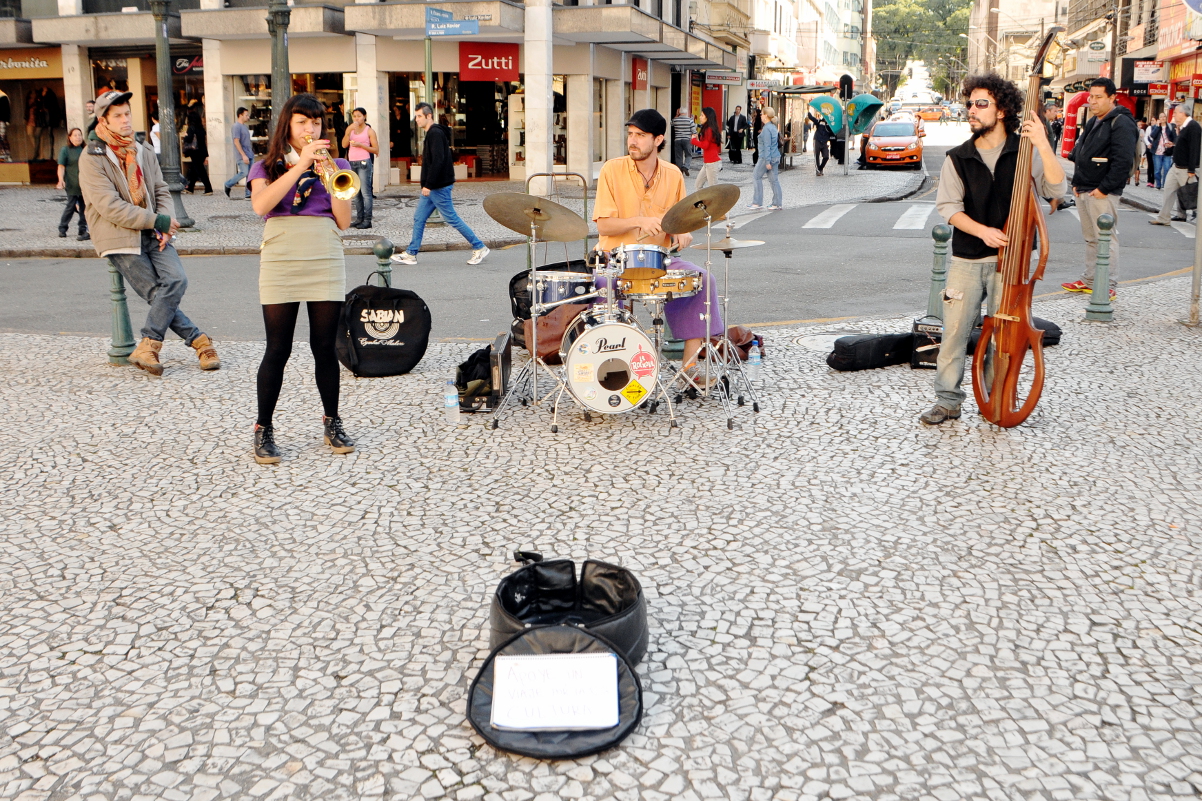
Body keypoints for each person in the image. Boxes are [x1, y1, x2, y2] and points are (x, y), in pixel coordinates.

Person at [921, 73, 1066, 426]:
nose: (971, 109)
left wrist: (1043, 144)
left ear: (1002, 110)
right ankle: (948, 401)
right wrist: (982, 231)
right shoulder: (959, 157)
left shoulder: (1025, 150)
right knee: (954, 334)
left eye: (981, 103)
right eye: (969, 103)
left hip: (1013, 261)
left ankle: (994, 399)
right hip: (967, 258)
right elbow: (949, 208)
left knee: (1003, 336)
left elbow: (1056, 189)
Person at [78, 90, 221, 378]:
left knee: (176, 280)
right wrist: (157, 220)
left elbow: (160, 189)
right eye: (118, 116)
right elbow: (109, 206)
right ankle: (200, 342)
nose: (125, 120)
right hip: (119, 236)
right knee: (156, 293)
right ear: (103, 120)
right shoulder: (92, 156)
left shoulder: (142, 149)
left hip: (153, 229)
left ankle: (149, 346)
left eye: (127, 114)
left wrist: (163, 223)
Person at [247, 93, 356, 465]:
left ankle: (332, 421)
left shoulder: (338, 164)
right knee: (277, 348)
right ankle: (263, 428)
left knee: (325, 347)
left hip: (324, 252)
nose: (310, 128)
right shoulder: (266, 165)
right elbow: (261, 206)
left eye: (316, 122)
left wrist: (327, 174)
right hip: (281, 254)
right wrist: (300, 167)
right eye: (302, 122)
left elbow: (344, 221)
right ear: (287, 126)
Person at [591, 108, 723, 384]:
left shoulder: (673, 174)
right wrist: (639, 221)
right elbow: (603, 226)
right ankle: (612, 368)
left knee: (703, 280)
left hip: (659, 259)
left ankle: (689, 367)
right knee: (603, 285)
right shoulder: (611, 170)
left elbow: (679, 221)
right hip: (615, 259)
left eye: (640, 135)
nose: (632, 141)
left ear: (658, 139)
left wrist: (682, 233)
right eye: (630, 134)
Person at [1062, 78, 1137, 302]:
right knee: (1091, 238)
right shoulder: (1094, 120)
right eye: (1091, 97)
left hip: (1102, 191)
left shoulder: (1121, 122)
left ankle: (1108, 284)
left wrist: (1104, 189)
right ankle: (1089, 280)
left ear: (1112, 98)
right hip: (1084, 187)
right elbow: (1082, 152)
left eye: (1098, 97)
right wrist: (1076, 183)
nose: (1092, 101)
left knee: (1106, 239)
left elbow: (1123, 162)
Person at [391, 102, 489, 266]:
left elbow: (438, 160)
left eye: (419, 116)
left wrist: (428, 185)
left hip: (438, 186)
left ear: (429, 116)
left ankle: (479, 246)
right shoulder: (432, 133)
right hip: (433, 187)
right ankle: (411, 253)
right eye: (416, 116)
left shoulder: (435, 134)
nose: (417, 119)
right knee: (419, 218)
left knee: (452, 218)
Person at [1151, 101, 1200, 226]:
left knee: (1191, 195)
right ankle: (1163, 218)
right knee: (1168, 191)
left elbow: (1194, 149)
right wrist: (1172, 146)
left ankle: (1197, 216)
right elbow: (1183, 146)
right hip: (1176, 166)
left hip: (1186, 169)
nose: (1174, 116)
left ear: (1183, 113)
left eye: (1176, 113)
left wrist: (1191, 169)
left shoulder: (1193, 127)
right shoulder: (1182, 127)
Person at [341, 107, 379, 229]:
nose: (356, 119)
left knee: (365, 192)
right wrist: (348, 131)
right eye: (354, 116)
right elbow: (344, 145)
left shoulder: (369, 131)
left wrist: (361, 145)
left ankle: (367, 220)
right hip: (352, 162)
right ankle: (359, 218)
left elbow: (376, 149)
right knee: (356, 192)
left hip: (364, 162)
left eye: (359, 116)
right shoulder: (351, 129)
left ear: (364, 117)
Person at [56, 127, 89, 241]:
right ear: (70, 137)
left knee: (84, 207)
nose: (78, 137)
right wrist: (61, 180)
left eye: (79, 135)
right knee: (70, 206)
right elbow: (61, 166)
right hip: (72, 182)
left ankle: (82, 229)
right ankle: (62, 228)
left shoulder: (85, 149)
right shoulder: (65, 150)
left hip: (84, 183)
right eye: (75, 135)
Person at [749, 106, 783, 210]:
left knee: (756, 176)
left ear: (766, 116)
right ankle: (777, 203)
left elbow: (767, 146)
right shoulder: (773, 127)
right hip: (775, 156)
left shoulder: (767, 128)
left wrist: (767, 161)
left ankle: (757, 202)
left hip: (765, 157)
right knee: (774, 181)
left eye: (762, 114)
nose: (761, 116)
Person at [224, 107, 254, 199]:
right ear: (240, 115)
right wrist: (243, 155)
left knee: (250, 174)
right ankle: (228, 184)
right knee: (244, 172)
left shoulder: (245, 127)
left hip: (249, 153)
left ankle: (248, 193)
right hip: (242, 154)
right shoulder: (236, 126)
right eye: (246, 115)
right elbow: (236, 141)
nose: (248, 117)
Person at [690, 106, 722, 191]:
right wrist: (697, 140)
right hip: (707, 163)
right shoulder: (708, 128)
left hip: (712, 163)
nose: (700, 117)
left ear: (707, 117)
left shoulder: (709, 129)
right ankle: (704, 200)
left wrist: (693, 140)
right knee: (698, 185)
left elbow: (705, 146)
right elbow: (706, 144)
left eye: (702, 115)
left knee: (713, 189)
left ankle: (716, 200)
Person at [182, 103, 212, 194]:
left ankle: (208, 188)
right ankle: (190, 188)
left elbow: (189, 139)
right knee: (194, 170)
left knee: (200, 171)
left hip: (195, 152)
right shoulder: (201, 128)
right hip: (202, 152)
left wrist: (185, 136)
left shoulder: (191, 128)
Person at [1152, 110, 1176, 189]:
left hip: (1167, 151)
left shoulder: (1170, 127)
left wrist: (1172, 143)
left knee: (1167, 168)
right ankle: (1158, 184)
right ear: (1159, 119)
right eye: (1161, 117)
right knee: (1157, 170)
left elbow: (1175, 137)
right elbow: (1152, 135)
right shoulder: (1156, 127)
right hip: (1157, 151)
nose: (1163, 118)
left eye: (1164, 116)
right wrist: (1158, 126)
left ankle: (1165, 184)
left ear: (1166, 118)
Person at [671, 108, 695, 176]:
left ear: (679, 112)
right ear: (686, 112)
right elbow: (694, 131)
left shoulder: (675, 120)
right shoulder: (690, 120)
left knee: (678, 156)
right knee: (688, 155)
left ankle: (679, 172)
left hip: (677, 140)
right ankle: (686, 167)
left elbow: (671, 124)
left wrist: (676, 115)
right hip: (687, 140)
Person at [812, 111, 832, 176]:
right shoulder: (820, 122)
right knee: (816, 156)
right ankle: (818, 170)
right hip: (817, 140)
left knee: (826, 156)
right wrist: (809, 114)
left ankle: (820, 168)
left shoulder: (831, 125)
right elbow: (813, 119)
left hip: (824, 142)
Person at [1132, 118, 1147, 186]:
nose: (1140, 126)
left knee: (1137, 162)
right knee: (1131, 162)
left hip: (1139, 147)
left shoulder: (1142, 131)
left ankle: (1137, 179)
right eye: (1139, 125)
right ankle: (1128, 178)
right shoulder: (1132, 130)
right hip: (1132, 147)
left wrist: (1142, 137)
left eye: (1141, 125)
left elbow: (1144, 139)